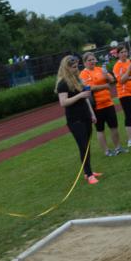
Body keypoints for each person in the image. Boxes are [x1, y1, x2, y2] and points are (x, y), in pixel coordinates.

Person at [56, 55, 101, 185]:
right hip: (75, 119)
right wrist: (80, 95)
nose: (76, 69)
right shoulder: (63, 83)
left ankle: (89, 172)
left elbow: (86, 99)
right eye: (73, 67)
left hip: (86, 116)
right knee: (83, 146)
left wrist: (92, 114)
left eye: (77, 66)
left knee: (87, 145)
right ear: (67, 68)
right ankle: (89, 174)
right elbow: (63, 102)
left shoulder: (78, 79)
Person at [80, 52, 127, 156]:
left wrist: (107, 77)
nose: (92, 61)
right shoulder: (84, 74)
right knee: (100, 129)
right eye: (89, 60)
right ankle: (107, 151)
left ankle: (118, 147)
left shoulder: (100, 69)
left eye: (93, 59)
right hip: (96, 105)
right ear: (84, 62)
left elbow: (112, 80)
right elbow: (89, 88)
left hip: (108, 102)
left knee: (114, 126)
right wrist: (104, 86)